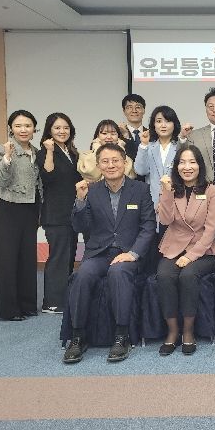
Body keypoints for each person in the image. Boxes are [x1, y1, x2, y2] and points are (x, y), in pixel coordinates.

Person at [63, 143, 155, 364]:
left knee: (118, 273)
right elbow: (79, 226)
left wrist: (133, 253)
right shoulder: (91, 190)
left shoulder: (140, 190)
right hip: (99, 253)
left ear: (125, 163)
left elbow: (148, 226)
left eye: (115, 160)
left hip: (128, 253)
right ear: (98, 165)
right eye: (105, 161)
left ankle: (122, 335)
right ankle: (77, 336)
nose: (111, 165)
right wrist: (80, 201)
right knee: (82, 276)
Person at [155, 145, 215, 356]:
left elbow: (211, 229)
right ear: (177, 166)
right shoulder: (171, 189)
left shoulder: (211, 190)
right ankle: (172, 331)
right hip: (174, 246)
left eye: (192, 162)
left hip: (204, 250)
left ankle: (188, 331)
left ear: (199, 165)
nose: (187, 167)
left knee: (188, 275)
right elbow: (165, 220)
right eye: (182, 162)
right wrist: (166, 192)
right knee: (164, 275)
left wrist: (191, 256)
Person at [0, 110, 43, 321]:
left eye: (28, 126)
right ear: (11, 129)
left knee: (27, 257)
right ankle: (9, 310)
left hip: (30, 208)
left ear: (34, 129)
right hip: (8, 208)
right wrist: (7, 158)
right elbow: (0, 181)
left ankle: (27, 305)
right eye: (18, 126)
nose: (23, 130)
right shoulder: (3, 149)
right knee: (7, 259)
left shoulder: (36, 151)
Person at [37, 113, 82, 314]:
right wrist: (48, 150)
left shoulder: (71, 152)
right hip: (56, 214)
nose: (62, 131)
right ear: (49, 130)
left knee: (69, 256)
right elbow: (48, 176)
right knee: (58, 258)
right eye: (57, 128)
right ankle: (52, 303)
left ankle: (64, 298)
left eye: (65, 127)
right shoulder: (45, 151)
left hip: (71, 213)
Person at [134, 106, 180, 208]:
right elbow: (140, 171)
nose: (163, 125)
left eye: (168, 121)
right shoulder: (147, 147)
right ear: (153, 124)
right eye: (159, 121)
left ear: (174, 124)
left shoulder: (180, 147)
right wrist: (144, 144)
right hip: (152, 201)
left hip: (176, 200)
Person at [118, 93, 147, 162]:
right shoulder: (118, 134)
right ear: (124, 111)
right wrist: (126, 137)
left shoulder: (152, 134)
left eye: (138, 107)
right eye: (129, 107)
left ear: (144, 110)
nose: (134, 111)